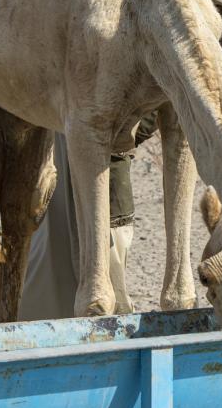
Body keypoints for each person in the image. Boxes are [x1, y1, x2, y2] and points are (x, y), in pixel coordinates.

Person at [19, 114, 157, 320]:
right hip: (50, 177)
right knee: (45, 282)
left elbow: (155, 104)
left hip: (107, 185)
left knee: (108, 291)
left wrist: (115, 137)